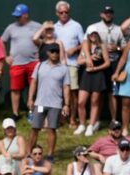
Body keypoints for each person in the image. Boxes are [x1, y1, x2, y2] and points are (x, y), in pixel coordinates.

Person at [27, 43, 70, 158]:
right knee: (34, 128)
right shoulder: (40, 66)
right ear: (47, 53)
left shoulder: (64, 69)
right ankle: (29, 153)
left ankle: (50, 155)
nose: (55, 53)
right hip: (40, 103)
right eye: (52, 51)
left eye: (57, 51)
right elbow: (33, 82)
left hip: (55, 104)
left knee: (52, 129)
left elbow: (66, 87)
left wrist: (66, 104)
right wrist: (30, 98)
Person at [85, 6, 125, 123]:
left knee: (112, 93)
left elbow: (124, 47)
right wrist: (89, 57)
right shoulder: (94, 28)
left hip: (113, 64)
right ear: (101, 14)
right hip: (99, 63)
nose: (108, 15)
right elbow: (85, 43)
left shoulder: (118, 29)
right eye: (106, 13)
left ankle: (114, 120)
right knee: (98, 93)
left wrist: (116, 48)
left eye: (110, 13)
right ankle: (95, 120)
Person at [2, 4, 41, 120]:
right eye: (16, 16)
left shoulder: (36, 26)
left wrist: (40, 52)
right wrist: (5, 57)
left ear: (26, 15)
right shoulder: (11, 27)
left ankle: (32, 112)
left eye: (19, 16)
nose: (17, 18)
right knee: (15, 89)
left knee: (34, 88)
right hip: (17, 63)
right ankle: (15, 113)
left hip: (33, 62)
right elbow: (2, 40)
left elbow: (46, 39)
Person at [53, 1, 84, 129]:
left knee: (72, 93)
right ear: (57, 13)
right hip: (56, 64)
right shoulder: (53, 27)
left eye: (66, 12)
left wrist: (75, 49)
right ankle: (61, 118)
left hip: (71, 64)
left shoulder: (76, 26)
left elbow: (84, 43)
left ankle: (72, 118)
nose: (64, 14)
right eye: (61, 12)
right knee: (58, 92)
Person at [75, 26, 109, 137]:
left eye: (95, 34)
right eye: (91, 34)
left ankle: (91, 125)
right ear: (88, 36)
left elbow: (107, 63)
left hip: (98, 75)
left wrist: (96, 68)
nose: (93, 36)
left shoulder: (102, 46)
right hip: (86, 75)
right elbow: (79, 61)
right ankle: (82, 125)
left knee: (95, 102)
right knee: (81, 102)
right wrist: (87, 60)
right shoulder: (85, 47)